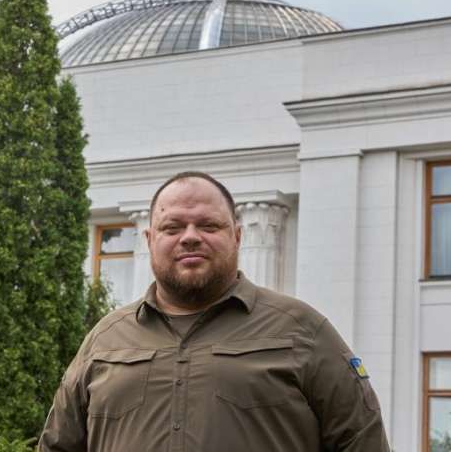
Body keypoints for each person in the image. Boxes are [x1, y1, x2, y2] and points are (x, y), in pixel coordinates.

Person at [38, 171, 391, 451]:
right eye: (172, 227)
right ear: (149, 241)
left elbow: (362, 442)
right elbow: (59, 446)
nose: (190, 237)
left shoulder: (303, 331)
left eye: (208, 226)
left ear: (237, 235)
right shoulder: (105, 339)